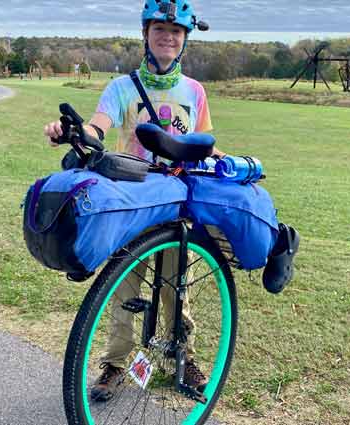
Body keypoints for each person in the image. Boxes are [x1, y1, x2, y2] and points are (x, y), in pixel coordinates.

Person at [44, 0, 299, 402]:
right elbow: (98, 125)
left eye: (176, 32)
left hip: (179, 200)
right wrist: (73, 132)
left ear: (185, 41)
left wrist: (231, 164)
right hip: (137, 198)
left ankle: (184, 356)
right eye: (159, 29)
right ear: (145, 35)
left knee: (176, 288)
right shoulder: (122, 87)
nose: (168, 37)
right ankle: (114, 364)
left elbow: (202, 143)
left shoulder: (194, 90)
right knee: (122, 287)